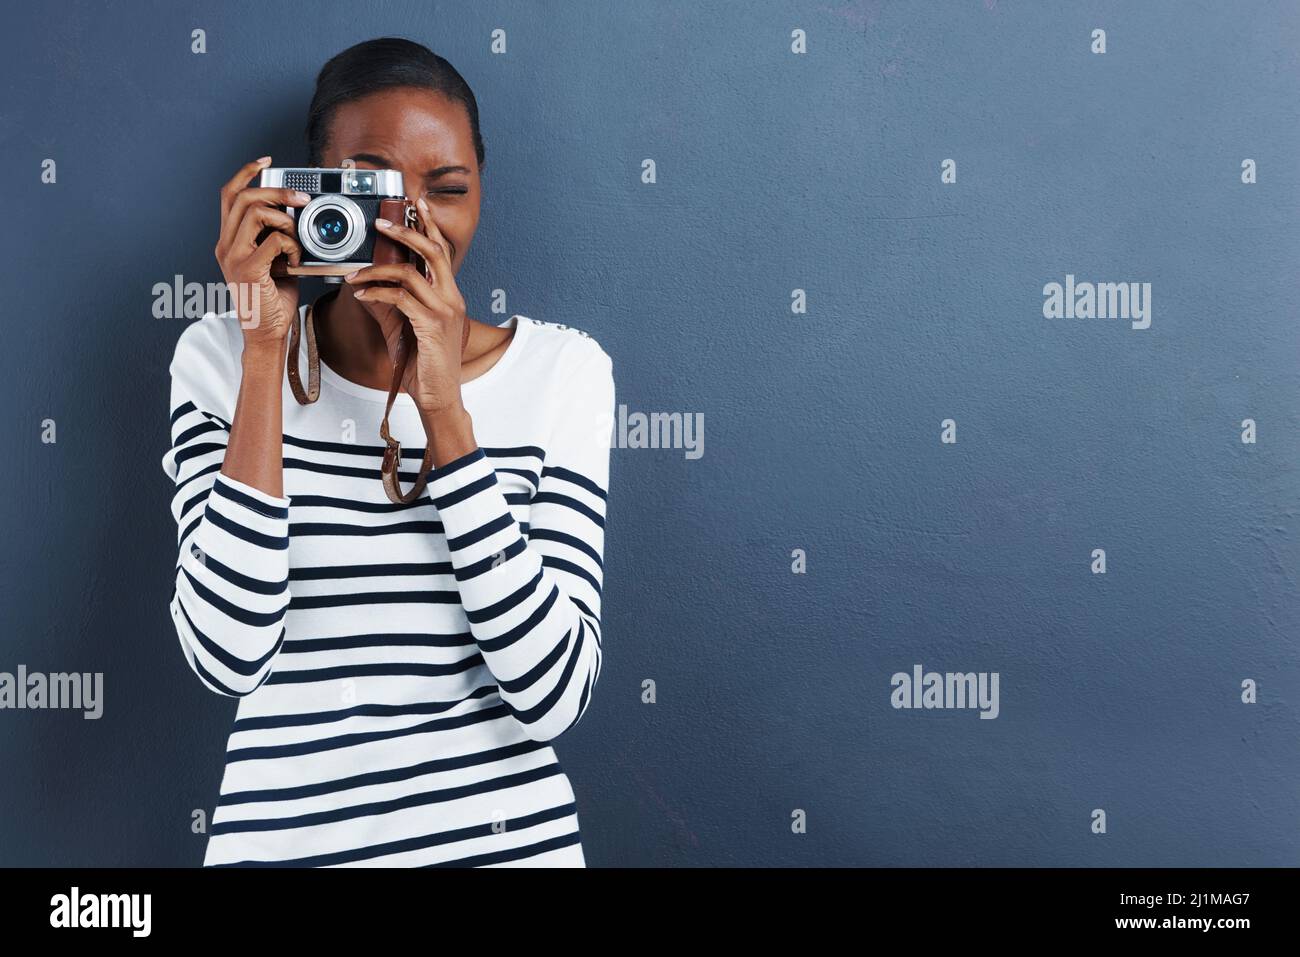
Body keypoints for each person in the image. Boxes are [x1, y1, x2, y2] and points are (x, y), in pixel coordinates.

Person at [160, 36, 614, 867]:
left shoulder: (563, 372)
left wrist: (445, 410)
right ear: (304, 195)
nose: (409, 224)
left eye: (446, 191)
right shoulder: (219, 357)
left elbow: (551, 697)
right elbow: (227, 655)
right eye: (367, 192)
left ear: (482, 193)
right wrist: (266, 351)